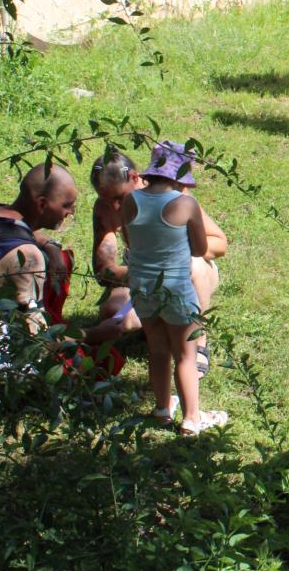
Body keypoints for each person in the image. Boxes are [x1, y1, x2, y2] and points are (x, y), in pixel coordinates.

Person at [89, 147, 227, 375]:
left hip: (186, 272)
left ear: (135, 178)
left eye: (118, 198)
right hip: (143, 277)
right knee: (111, 312)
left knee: (193, 265)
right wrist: (146, 274)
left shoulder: (173, 198)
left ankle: (199, 340)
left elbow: (219, 243)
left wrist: (177, 251)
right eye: (106, 199)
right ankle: (159, 325)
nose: (115, 207)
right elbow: (103, 270)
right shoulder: (106, 209)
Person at [121, 141, 225, 435]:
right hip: (176, 290)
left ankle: (162, 409)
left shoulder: (131, 200)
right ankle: (192, 418)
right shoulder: (185, 204)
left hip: (142, 287)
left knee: (157, 349)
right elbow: (200, 249)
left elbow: (129, 240)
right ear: (181, 177)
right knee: (186, 354)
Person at [0, 165, 77, 371]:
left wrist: (51, 246)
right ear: (42, 204)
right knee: (82, 363)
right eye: (67, 205)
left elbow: (25, 230)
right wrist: (93, 334)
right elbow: (38, 338)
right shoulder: (28, 257)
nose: (71, 212)